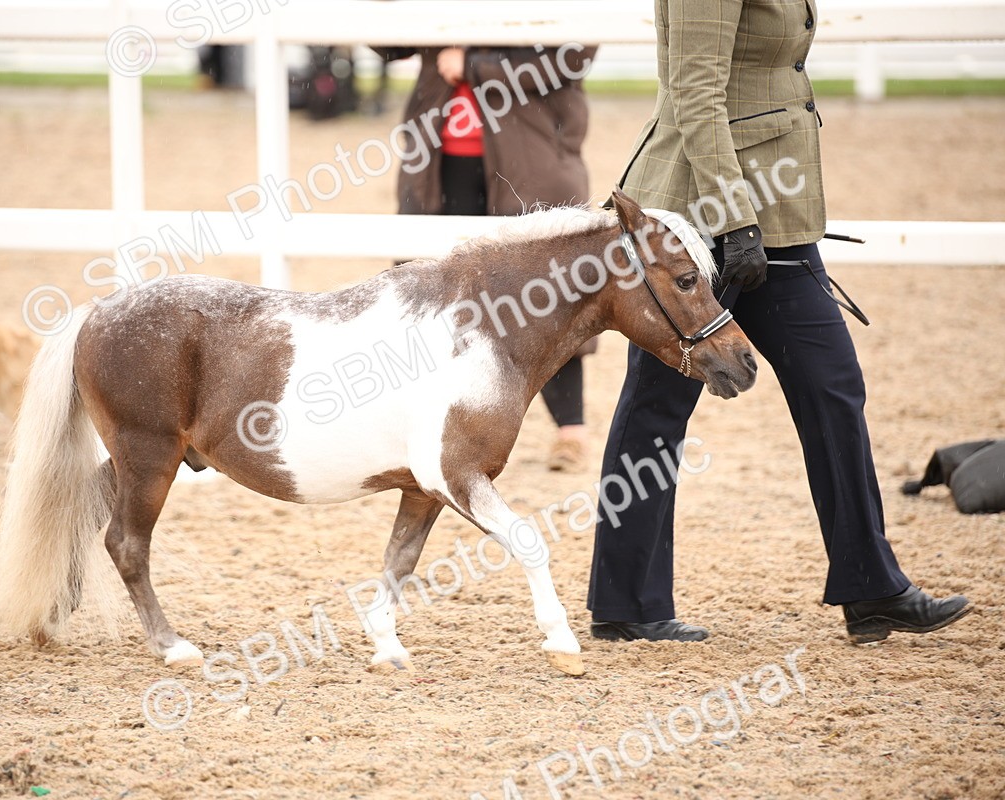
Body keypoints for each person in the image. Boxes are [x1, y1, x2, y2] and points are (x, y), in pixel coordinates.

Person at [587, 0, 969, 643]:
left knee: (833, 387)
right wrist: (735, 219)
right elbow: (694, 92)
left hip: (776, 218)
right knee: (658, 406)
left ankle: (871, 586)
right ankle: (628, 605)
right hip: (704, 215)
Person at [378, 43, 598, 470]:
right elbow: (387, 40)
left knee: (547, 291)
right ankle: (420, 426)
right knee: (427, 296)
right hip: (441, 159)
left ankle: (571, 430)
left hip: (529, 161)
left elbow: (573, 55)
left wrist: (478, 68)